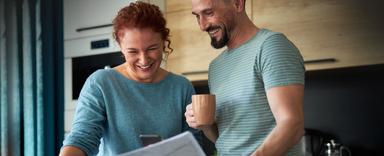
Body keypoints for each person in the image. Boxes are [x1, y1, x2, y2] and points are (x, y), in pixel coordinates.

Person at [60, 2, 199, 156]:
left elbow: (194, 144)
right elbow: (81, 139)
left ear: (164, 42)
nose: (144, 60)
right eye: (133, 51)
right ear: (121, 47)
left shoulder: (181, 87)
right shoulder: (101, 83)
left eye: (152, 49)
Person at [185, 0, 305, 155]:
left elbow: (292, 125)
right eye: (197, 16)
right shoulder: (216, 67)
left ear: (237, 3)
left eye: (209, 13)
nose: (203, 26)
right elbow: (226, 140)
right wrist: (204, 124)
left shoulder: (271, 46)